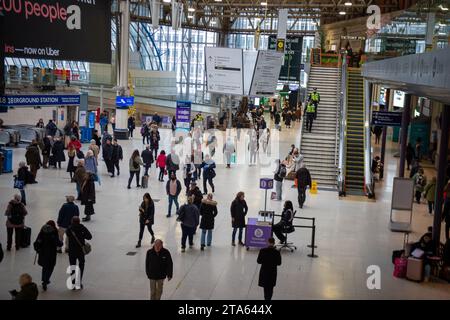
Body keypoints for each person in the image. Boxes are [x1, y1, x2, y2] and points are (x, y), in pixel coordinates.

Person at [33, 220, 62, 291]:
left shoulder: (42, 231)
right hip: (51, 253)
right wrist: (61, 243)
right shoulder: (54, 232)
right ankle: (46, 280)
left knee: (45, 266)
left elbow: (37, 242)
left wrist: (38, 249)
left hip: (43, 253)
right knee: (51, 267)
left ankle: (44, 280)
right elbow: (57, 243)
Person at [66, 216, 92, 290]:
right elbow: (89, 237)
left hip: (72, 251)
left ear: (72, 221)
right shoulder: (82, 227)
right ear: (79, 221)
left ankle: (73, 283)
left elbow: (67, 236)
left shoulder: (69, 229)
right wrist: (82, 235)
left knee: (73, 266)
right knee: (81, 265)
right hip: (80, 251)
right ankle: (79, 282)